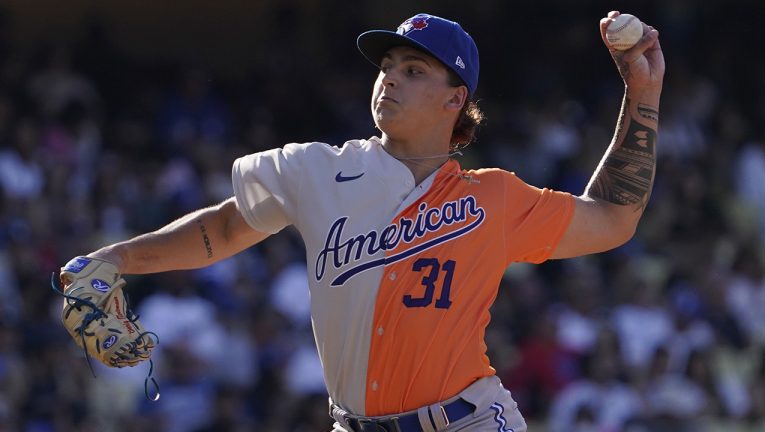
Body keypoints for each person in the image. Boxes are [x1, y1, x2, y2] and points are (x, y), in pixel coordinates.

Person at [58, 10, 665, 432]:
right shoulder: (316, 170)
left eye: (414, 70)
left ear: (456, 100)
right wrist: (120, 259)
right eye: (388, 65)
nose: (391, 77)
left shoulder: (493, 199)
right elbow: (222, 227)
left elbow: (613, 217)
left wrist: (641, 94)